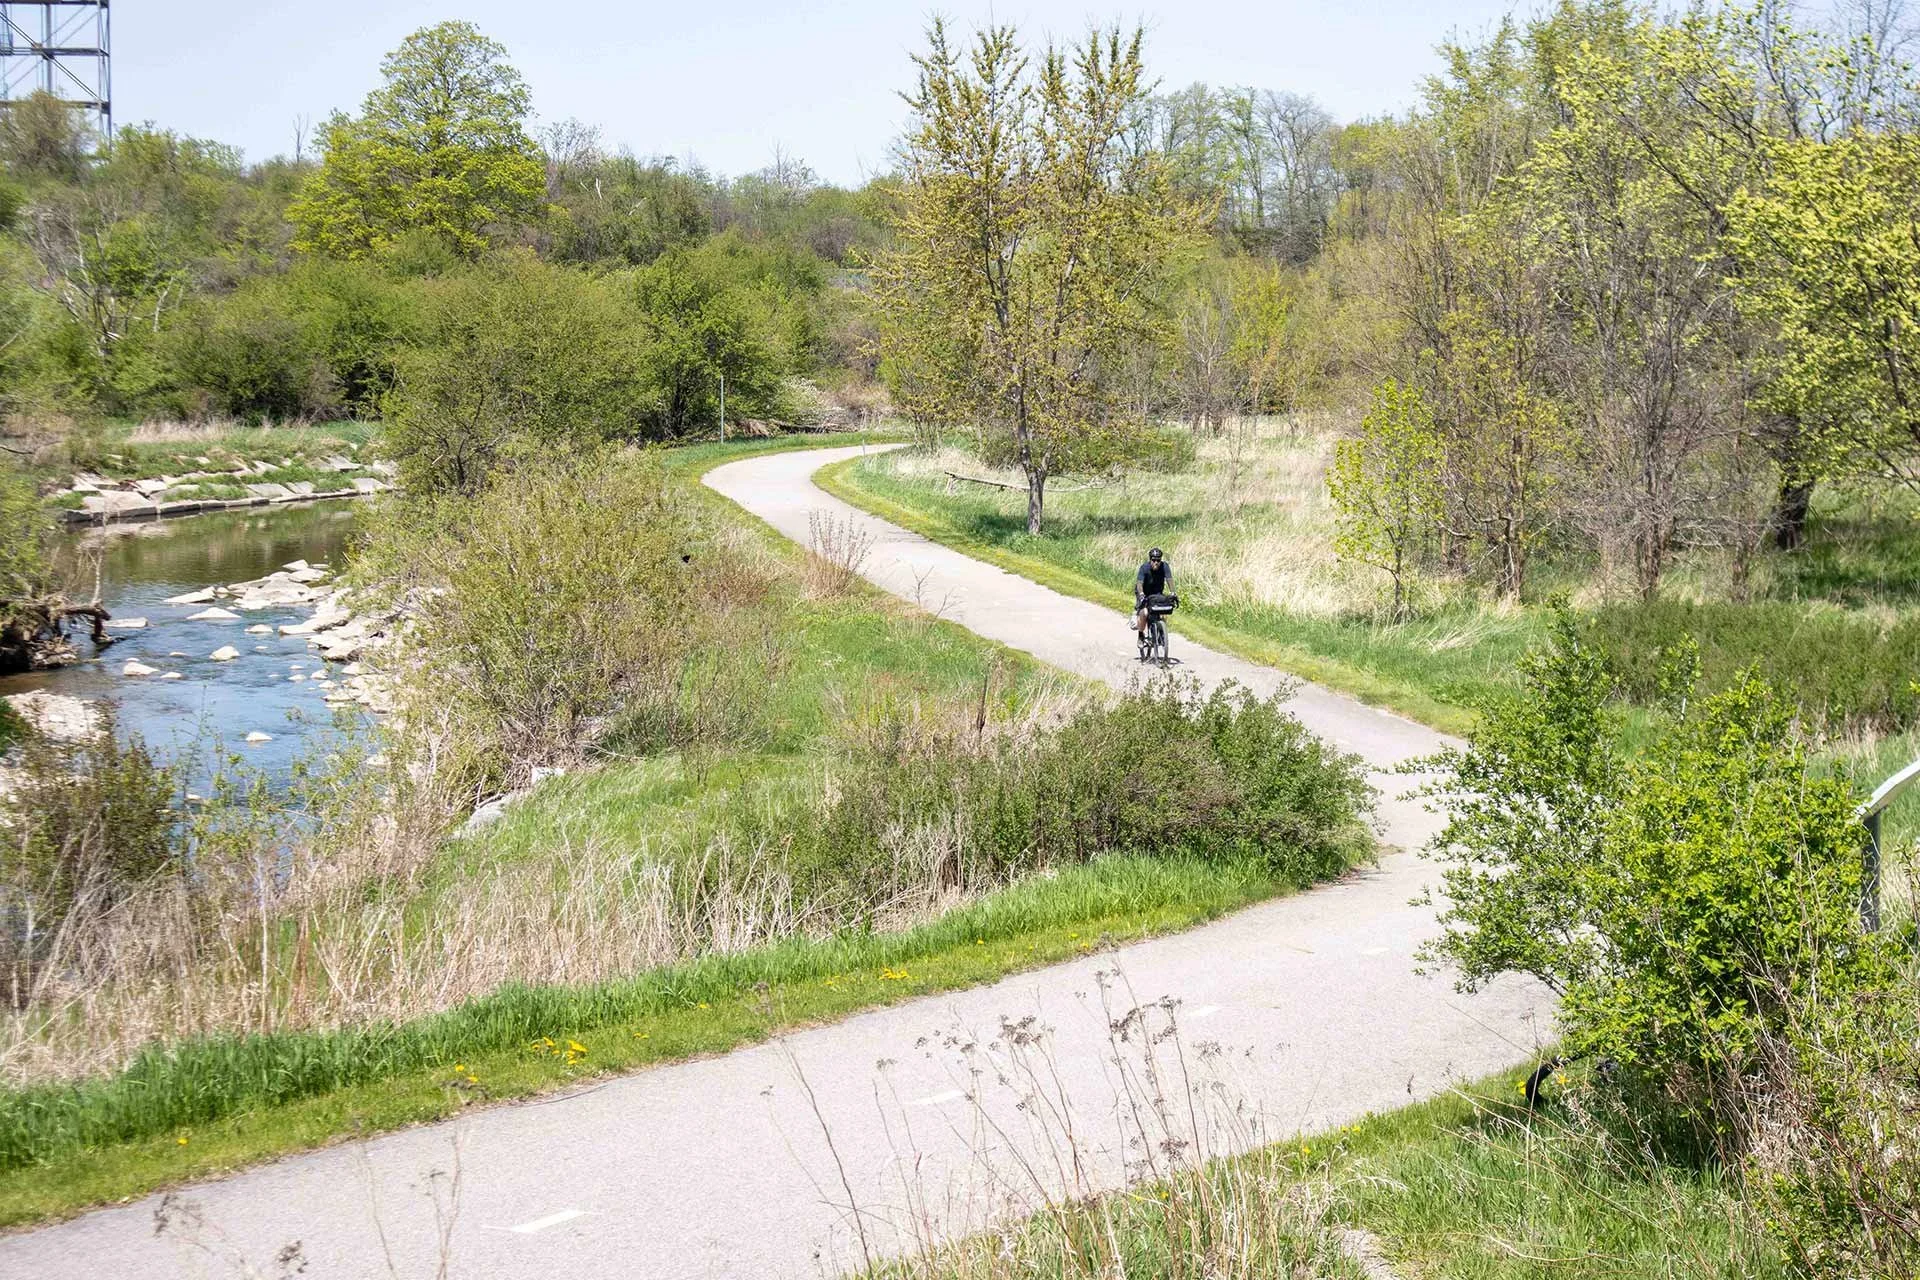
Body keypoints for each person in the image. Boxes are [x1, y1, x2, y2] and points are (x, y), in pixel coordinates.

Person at [1134, 547, 1171, 638]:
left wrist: (1173, 592)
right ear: (1150, 560)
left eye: (1158, 560)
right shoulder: (1144, 568)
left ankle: (1162, 632)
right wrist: (1141, 595)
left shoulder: (1164, 566)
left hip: (1157, 593)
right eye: (1153, 560)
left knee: (1163, 611)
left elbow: (1170, 580)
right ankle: (1141, 635)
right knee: (1145, 613)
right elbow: (1139, 583)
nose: (1156, 562)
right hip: (1144, 592)